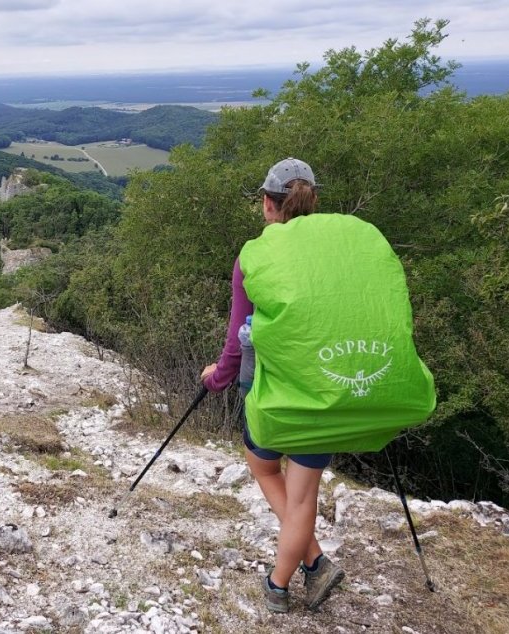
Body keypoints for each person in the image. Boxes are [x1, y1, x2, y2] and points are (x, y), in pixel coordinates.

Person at [200, 157, 345, 613]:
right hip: (327, 382)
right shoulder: (339, 252)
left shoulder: (255, 256)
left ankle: (281, 583)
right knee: (304, 491)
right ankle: (314, 564)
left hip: (268, 385)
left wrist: (217, 378)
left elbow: (237, 332)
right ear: (313, 202)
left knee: (264, 468)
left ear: (268, 204)